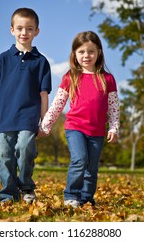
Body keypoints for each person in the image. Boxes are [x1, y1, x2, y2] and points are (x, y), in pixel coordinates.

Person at [38, 31, 120, 208]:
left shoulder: (107, 79)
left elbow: (113, 107)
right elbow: (58, 103)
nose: (86, 56)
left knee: (91, 168)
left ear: (99, 52)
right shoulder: (71, 77)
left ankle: (86, 198)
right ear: (74, 54)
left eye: (91, 51)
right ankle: (71, 196)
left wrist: (114, 128)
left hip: (97, 131)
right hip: (75, 128)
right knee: (80, 159)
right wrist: (46, 124)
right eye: (81, 51)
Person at [0, 7, 52, 204]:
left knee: (25, 149)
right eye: (20, 28)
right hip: (5, 117)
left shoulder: (41, 62)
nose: (24, 33)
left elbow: (44, 94)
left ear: (37, 32)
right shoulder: (3, 58)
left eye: (29, 29)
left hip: (29, 117)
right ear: (12, 30)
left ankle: (26, 187)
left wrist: (44, 121)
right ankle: (8, 194)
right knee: (5, 156)